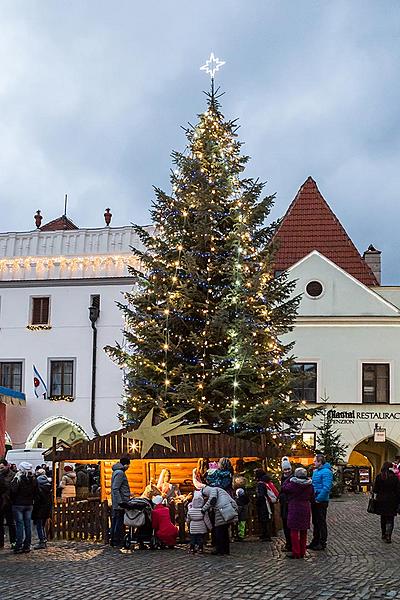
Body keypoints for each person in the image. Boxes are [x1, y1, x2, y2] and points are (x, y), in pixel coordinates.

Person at [282, 467, 314, 559]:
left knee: (294, 530)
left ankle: (296, 551)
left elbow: (284, 487)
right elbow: (312, 496)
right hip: (305, 507)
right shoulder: (310, 485)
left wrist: (289, 478)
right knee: (303, 531)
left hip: (294, 507)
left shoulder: (293, 484)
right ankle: (302, 551)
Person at [201, 485, 238, 555]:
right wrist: (235, 510)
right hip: (228, 512)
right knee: (225, 533)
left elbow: (212, 500)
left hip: (221, 513)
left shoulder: (213, 490)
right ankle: (226, 551)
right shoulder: (222, 491)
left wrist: (203, 509)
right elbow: (232, 501)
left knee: (219, 533)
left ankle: (220, 550)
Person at [10, 461, 37, 554]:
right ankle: (27, 546)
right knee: (28, 525)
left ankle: (19, 546)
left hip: (18, 504)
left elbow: (13, 491)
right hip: (29, 504)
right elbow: (35, 491)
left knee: (19, 525)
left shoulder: (18, 478)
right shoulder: (33, 479)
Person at [309, 453, 333, 551]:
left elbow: (326, 487)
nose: (313, 462)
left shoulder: (326, 472)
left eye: (315, 461)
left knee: (321, 521)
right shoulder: (316, 471)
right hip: (314, 499)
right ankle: (315, 540)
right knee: (315, 521)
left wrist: (319, 499)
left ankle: (322, 542)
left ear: (320, 462)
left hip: (321, 501)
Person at [372, 461, 400, 543]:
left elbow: (375, 490)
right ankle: (388, 535)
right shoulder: (394, 478)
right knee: (390, 518)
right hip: (392, 501)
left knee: (383, 518)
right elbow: (398, 491)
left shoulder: (379, 477)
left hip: (381, 500)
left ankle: (383, 534)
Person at [110, 457, 131, 547]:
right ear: (125, 464)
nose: (128, 467)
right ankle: (117, 540)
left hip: (117, 501)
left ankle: (114, 539)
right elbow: (116, 488)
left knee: (115, 520)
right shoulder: (120, 473)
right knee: (118, 521)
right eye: (128, 465)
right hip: (120, 502)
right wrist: (120, 502)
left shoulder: (116, 472)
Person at [254, 469, 278, 542]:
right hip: (268, 502)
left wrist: (257, 502)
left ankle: (266, 535)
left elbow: (261, 495)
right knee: (267, 519)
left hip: (264, 504)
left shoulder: (261, 483)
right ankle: (266, 534)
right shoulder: (267, 481)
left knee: (263, 519)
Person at [32, 468, 52, 549]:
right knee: (42, 525)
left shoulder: (38, 487)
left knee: (39, 526)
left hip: (40, 508)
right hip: (46, 508)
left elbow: (37, 499)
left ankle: (42, 541)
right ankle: (44, 540)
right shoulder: (48, 486)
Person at [0, 459, 16, 550]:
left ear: (7, 466)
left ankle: (13, 542)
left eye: (2, 467)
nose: (1, 470)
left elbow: (13, 489)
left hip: (9, 502)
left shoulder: (13, 475)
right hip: (1, 502)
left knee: (11, 523)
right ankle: (1, 543)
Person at [279, 456, 293, 552]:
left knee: (289, 526)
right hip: (284, 504)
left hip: (289, 505)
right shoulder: (282, 478)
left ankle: (290, 544)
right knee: (285, 525)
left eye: (288, 469)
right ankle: (289, 543)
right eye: (285, 469)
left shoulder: (292, 479)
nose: (287, 471)